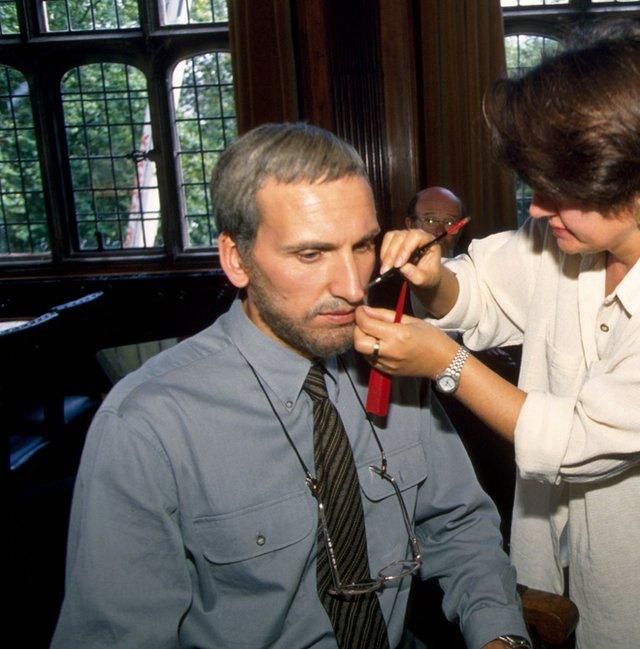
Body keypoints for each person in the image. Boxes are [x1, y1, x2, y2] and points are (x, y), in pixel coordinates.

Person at [355, 21, 640, 649]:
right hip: (581, 563)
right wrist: (434, 283)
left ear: (638, 181)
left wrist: (444, 362)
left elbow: (582, 439)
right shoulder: (576, 227)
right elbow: (483, 290)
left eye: (559, 190)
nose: (536, 208)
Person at [51, 123, 529, 649]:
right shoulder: (149, 425)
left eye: (364, 246)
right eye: (310, 255)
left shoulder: (392, 363)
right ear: (237, 259)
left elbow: (460, 528)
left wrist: (498, 635)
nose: (352, 288)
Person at [405, 186, 467, 256]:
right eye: (430, 221)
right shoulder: (394, 264)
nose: (440, 232)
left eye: (449, 223)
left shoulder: (470, 265)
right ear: (410, 225)